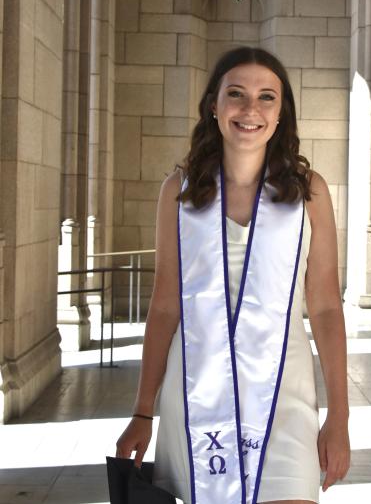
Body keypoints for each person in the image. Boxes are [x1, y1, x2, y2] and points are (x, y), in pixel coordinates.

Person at [116, 47, 351, 504]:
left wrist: (339, 416)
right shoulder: (179, 193)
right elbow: (165, 306)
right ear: (214, 105)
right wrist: (143, 412)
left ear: (282, 113)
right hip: (199, 391)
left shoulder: (308, 193)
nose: (250, 109)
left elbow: (324, 306)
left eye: (267, 97)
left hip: (286, 392)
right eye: (237, 94)